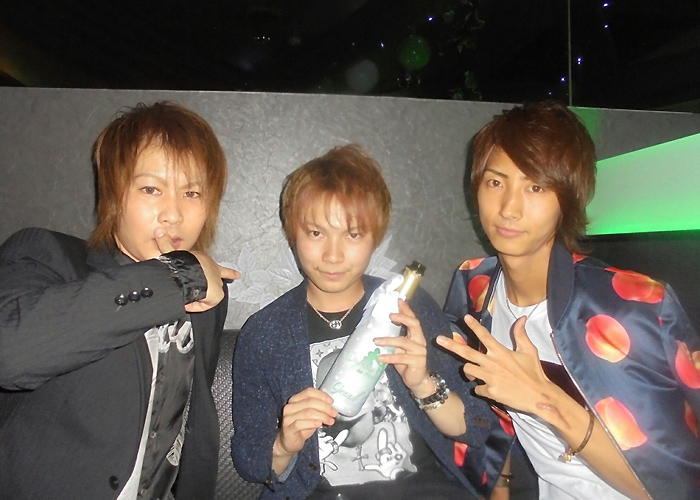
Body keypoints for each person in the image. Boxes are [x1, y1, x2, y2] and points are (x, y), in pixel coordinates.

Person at [438, 100, 700, 499]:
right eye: (495, 182)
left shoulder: (635, 308)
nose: (509, 208)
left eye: (535, 187)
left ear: (568, 198)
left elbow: (678, 486)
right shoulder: (476, 287)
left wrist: (544, 400)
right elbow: (488, 415)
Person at [0, 101, 239, 500]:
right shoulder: (48, 256)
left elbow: (191, 421)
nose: (174, 214)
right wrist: (176, 277)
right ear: (114, 193)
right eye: (151, 189)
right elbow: (10, 354)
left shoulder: (209, 293)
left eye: (192, 192)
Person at [232, 144, 495, 500]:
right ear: (293, 234)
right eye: (316, 233)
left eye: (353, 234)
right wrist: (284, 443)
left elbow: (475, 427)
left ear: (375, 238)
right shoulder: (264, 333)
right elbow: (251, 462)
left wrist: (422, 383)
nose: (333, 255)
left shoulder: (409, 307)